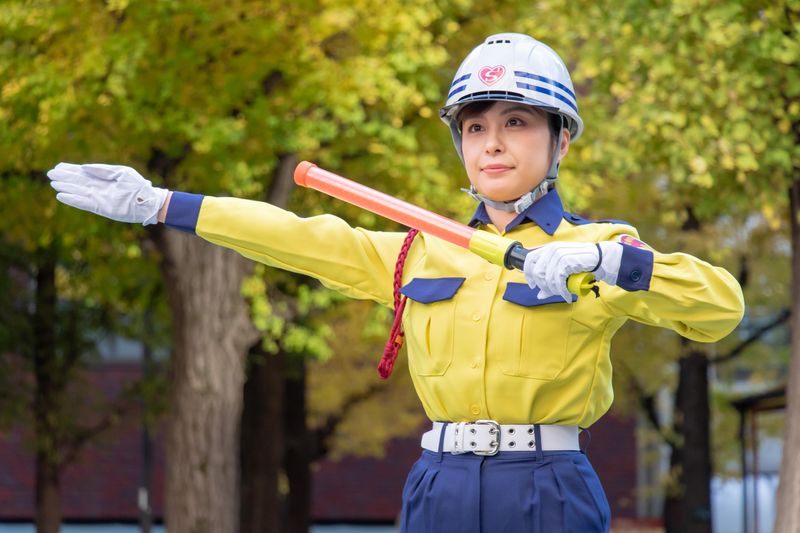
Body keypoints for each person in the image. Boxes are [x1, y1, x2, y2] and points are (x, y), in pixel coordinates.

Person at [47, 33, 744, 532]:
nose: (493, 142)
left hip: (547, 489)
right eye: (475, 126)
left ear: (561, 141)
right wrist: (164, 204)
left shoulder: (599, 246)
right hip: (436, 485)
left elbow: (719, 309)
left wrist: (603, 263)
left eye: (517, 122)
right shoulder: (421, 251)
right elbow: (297, 237)